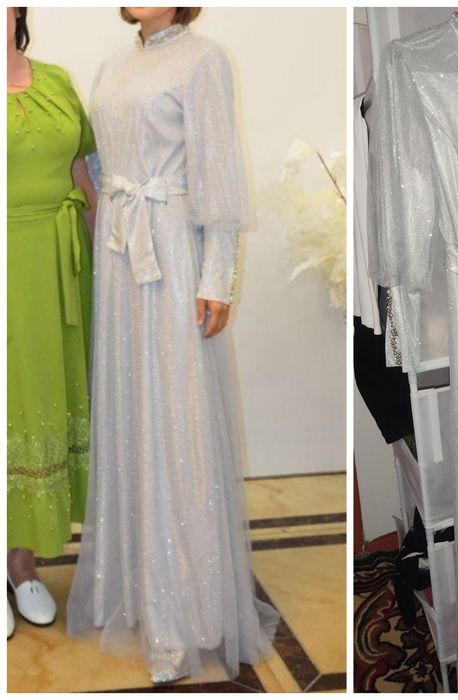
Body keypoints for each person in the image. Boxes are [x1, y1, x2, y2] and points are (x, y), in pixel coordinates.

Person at [67, 7, 278, 684]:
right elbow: (100, 163)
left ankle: (185, 607)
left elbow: (218, 173)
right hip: (119, 256)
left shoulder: (203, 59)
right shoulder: (114, 65)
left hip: (171, 254)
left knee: (178, 420)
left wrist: (217, 278)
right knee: (130, 413)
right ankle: (135, 583)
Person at [7, 5, 97, 640]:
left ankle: (22, 565)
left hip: (63, 266)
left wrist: (111, 264)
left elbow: (82, 175)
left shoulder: (58, 80)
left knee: (42, 405)